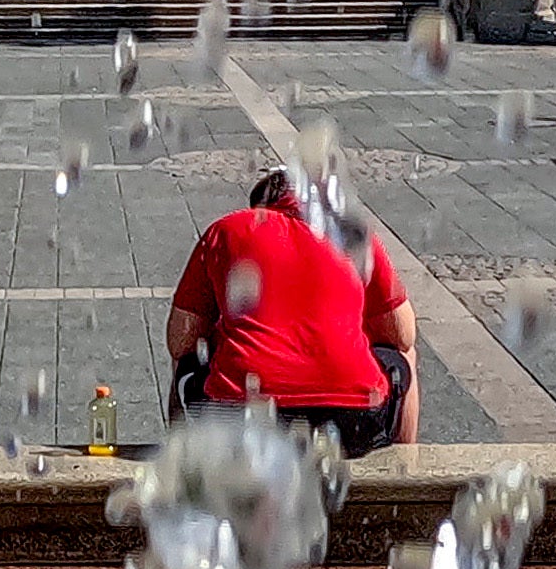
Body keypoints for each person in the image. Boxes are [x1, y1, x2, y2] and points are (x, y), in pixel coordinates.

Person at [163, 168, 418, 453]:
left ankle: (184, 469)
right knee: (404, 353)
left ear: (261, 205)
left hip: (239, 421)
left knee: (189, 356)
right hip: (350, 421)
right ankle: (406, 468)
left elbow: (180, 340)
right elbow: (403, 334)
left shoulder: (227, 229)